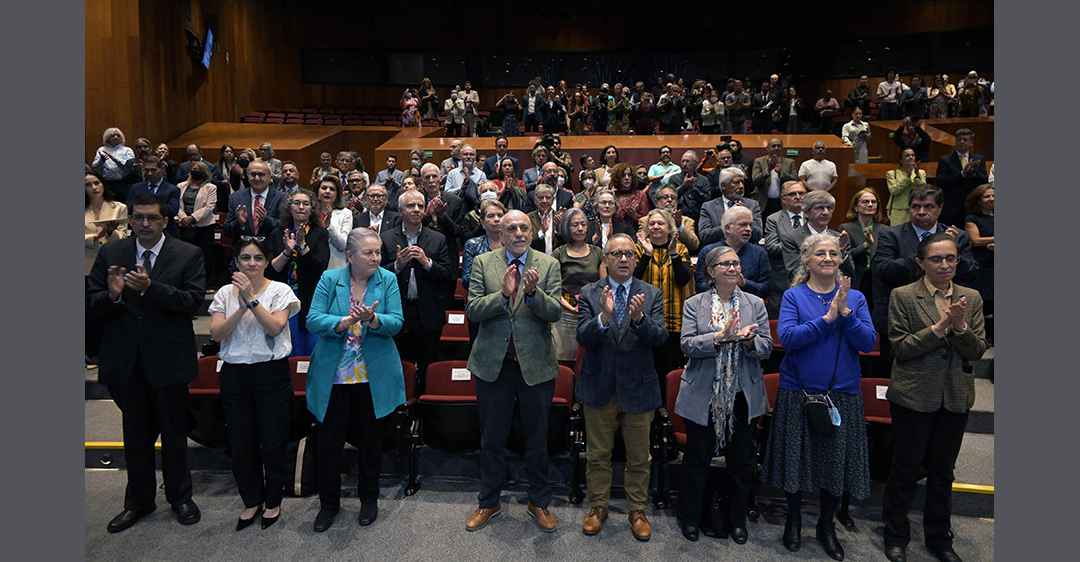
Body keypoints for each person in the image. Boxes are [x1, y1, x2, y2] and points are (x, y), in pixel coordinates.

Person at [87, 193, 205, 533]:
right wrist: (111, 295)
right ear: (130, 220)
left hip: (169, 361)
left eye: (152, 218)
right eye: (137, 217)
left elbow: (193, 302)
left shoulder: (188, 254)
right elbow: (90, 302)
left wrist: (151, 288)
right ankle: (138, 501)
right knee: (135, 437)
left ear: (165, 221)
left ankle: (180, 497)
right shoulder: (112, 252)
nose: (144, 224)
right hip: (126, 362)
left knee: (173, 434)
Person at [762, 233, 875, 560]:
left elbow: (867, 343)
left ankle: (826, 525)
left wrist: (847, 315)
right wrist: (827, 320)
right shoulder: (794, 296)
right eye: (820, 253)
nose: (828, 258)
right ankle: (793, 520)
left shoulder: (856, 297)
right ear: (807, 261)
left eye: (834, 253)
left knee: (834, 465)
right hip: (798, 393)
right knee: (795, 462)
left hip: (843, 395)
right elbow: (788, 338)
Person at [881, 233, 987, 562]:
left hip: (955, 396)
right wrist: (941, 327)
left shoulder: (972, 297)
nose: (945, 265)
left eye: (951, 258)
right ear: (921, 263)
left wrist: (960, 329)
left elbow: (977, 351)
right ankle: (896, 534)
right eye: (937, 259)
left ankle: (939, 538)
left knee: (943, 472)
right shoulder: (903, 296)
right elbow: (901, 348)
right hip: (913, 395)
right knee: (905, 468)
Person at [464, 210, 563, 533]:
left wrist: (533, 295)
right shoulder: (483, 263)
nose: (519, 232)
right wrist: (504, 295)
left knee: (536, 439)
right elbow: (473, 310)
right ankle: (489, 500)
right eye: (511, 228)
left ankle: (539, 502)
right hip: (494, 365)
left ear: (532, 232)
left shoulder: (548, 265)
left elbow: (555, 312)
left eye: (524, 227)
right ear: (501, 234)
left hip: (535, 365)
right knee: (492, 438)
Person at [305, 227, 407, 532]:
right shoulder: (329, 279)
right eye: (369, 252)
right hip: (333, 376)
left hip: (371, 376)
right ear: (350, 256)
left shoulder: (387, 279)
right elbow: (312, 320)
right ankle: (329, 505)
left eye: (378, 252)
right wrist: (343, 321)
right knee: (329, 444)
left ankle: (369, 498)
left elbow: (397, 322)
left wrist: (373, 320)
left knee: (371, 442)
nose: (376, 257)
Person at [676, 245, 772, 544]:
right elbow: (687, 345)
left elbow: (767, 348)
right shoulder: (695, 303)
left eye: (736, 263)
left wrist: (747, 341)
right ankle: (691, 518)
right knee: (696, 461)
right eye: (725, 264)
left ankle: (736, 519)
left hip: (742, 393)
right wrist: (719, 338)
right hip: (704, 393)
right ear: (711, 271)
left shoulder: (755, 303)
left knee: (741, 462)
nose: (732, 268)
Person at [575, 233, 666, 541]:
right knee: (598, 454)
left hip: (639, 386)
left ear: (636, 258)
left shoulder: (651, 293)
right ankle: (598, 507)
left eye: (629, 253)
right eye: (617, 254)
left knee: (640, 456)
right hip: (598, 384)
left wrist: (639, 320)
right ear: (606, 260)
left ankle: (637, 510)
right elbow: (583, 338)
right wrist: (603, 315)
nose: (624, 258)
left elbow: (660, 338)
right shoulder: (589, 292)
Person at [208, 238, 300, 531]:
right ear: (236, 262)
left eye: (258, 258)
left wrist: (252, 300)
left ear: (265, 262)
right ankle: (251, 500)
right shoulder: (224, 293)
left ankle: (273, 501)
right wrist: (240, 304)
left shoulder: (280, 290)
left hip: (271, 374)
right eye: (245, 258)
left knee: (273, 441)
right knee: (241, 441)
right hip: (234, 375)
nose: (251, 263)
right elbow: (218, 334)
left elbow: (275, 327)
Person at [381, 188, 455, 390]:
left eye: (420, 206)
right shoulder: (387, 238)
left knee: (427, 369)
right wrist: (396, 266)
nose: (416, 210)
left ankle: (424, 412)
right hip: (398, 314)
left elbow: (448, 274)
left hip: (428, 316)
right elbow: (376, 276)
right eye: (411, 206)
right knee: (399, 369)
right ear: (400, 210)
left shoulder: (437, 238)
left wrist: (427, 262)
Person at [635, 209, 693, 400]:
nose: (656, 226)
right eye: (652, 224)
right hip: (644, 321)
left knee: (667, 373)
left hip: (673, 321)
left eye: (661, 223)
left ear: (670, 228)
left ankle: (665, 415)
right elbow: (632, 279)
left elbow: (684, 279)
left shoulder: (681, 248)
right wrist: (646, 255)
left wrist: (674, 253)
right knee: (644, 372)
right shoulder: (637, 249)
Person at [267, 188, 329, 357]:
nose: (301, 207)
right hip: (284, 297)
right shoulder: (278, 233)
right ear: (290, 207)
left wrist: (302, 246)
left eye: (306, 204)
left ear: (312, 208)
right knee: (290, 347)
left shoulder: (319, 233)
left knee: (311, 348)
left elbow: (320, 269)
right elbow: (270, 272)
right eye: (297, 203)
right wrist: (287, 252)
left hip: (311, 297)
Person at [551, 208, 604, 363]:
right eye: (575, 225)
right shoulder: (558, 253)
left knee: (592, 360)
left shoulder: (597, 252)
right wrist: (571, 308)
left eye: (583, 224)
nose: (580, 229)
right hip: (565, 315)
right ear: (567, 228)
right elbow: (553, 288)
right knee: (566, 361)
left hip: (592, 313)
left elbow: (604, 285)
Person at [694, 206, 770, 299]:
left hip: (748, 307)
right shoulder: (708, 252)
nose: (749, 229)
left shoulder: (760, 253)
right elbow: (700, 287)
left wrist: (745, 284)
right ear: (727, 228)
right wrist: (722, 284)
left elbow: (766, 289)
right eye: (743, 225)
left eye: (751, 225)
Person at [764, 181, 807, 318]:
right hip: (782, 281)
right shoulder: (774, 219)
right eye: (793, 194)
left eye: (801, 193)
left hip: (810, 279)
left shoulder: (813, 217)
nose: (798, 196)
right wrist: (802, 245)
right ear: (783, 199)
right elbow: (772, 247)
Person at [176, 161, 219, 289]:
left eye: (199, 170)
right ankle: (187, 283)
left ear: (205, 173)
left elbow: (209, 207)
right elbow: (177, 204)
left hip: (204, 226)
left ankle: (208, 285)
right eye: (194, 169)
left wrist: (193, 218)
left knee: (205, 257)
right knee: (186, 256)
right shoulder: (181, 186)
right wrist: (184, 218)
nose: (196, 172)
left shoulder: (211, 187)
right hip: (185, 226)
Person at [840, 188, 884, 307]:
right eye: (865, 201)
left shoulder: (885, 230)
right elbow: (845, 256)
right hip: (857, 279)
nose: (870, 204)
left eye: (873, 202)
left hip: (877, 281)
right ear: (856, 207)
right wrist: (865, 245)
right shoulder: (846, 228)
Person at [935, 128, 988, 227]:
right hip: (951, 208)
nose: (962, 142)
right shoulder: (945, 160)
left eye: (965, 139)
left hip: (972, 207)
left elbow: (984, 182)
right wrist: (962, 174)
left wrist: (976, 173)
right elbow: (941, 181)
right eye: (959, 140)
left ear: (971, 142)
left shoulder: (979, 159)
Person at [224, 160, 287, 241]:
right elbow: (227, 231)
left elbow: (286, 227)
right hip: (244, 250)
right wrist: (239, 223)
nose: (257, 178)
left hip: (270, 250)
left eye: (261, 175)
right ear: (247, 176)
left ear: (270, 178)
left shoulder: (282, 198)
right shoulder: (236, 197)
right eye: (253, 175)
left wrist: (266, 220)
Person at [700, 166, 764, 245]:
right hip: (719, 251)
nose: (741, 186)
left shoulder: (752, 205)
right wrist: (728, 225)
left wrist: (745, 216)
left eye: (742, 182)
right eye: (736, 182)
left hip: (745, 251)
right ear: (723, 186)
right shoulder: (708, 207)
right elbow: (704, 235)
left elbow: (758, 235)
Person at [85, 170, 128, 276]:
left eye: (97, 183)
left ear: (103, 184)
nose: (94, 187)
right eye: (88, 185)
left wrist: (111, 232)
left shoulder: (119, 208)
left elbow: (123, 237)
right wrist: (94, 237)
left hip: (111, 262)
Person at [127, 155, 181, 238]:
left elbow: (173, 210)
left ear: (162, 169)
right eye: (147, 170)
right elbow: (129, 208)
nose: (150, 173)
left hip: (166, 233)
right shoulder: (136, 188)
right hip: (140, 231)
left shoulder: (172, 189)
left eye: (153, 170)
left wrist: (147, 208)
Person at [963, 184, 994, 325]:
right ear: (978, 200)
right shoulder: (972, 218)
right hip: (983, 265)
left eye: (993, 196)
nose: (991, 199)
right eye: (987, 196)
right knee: (984, 301)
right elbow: (975, 240)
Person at [752, 138, 799, 219]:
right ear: (767, 148)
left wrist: (781, 173)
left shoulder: (790, 162)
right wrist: (768, 171)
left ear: (782, 148)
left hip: (782, 203)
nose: (776, 148)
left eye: (779, 146)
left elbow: (794, 181)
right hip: (763, 203)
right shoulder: (759, 161)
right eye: (773, 146)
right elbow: (755, 181)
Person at [315, 175, 353, 270]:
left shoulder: (345, 213)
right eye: (324, 188)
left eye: (332, 189)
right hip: (312, 266)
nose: (327, 191)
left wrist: (329, 226)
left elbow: (343, 245)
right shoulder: (311, 213)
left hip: (335, 267)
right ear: (318, 193)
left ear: (337, 195)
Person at [886, 148, 926, 226]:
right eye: (907, 155)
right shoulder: (892, 173)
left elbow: (923, 189)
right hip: (898, 211)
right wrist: (907, 176)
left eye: (913, 155)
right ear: (901, 160)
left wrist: (916, 175)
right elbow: (894, 190)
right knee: (898, 235)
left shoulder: (921, 172)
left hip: (917, 209)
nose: (911, 157)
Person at [91, 127, 136, 194]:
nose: (115, 137)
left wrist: (113, 158)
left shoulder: (127, 150)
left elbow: (128, 166)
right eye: (113, 135)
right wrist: (101, 161)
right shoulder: (101, 150)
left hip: (123, 183)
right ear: (107, 138)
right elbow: (95, 167)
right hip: (107, 183)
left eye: (118, 135)